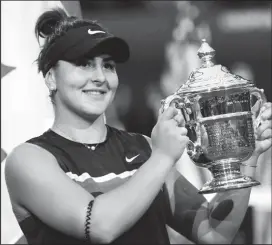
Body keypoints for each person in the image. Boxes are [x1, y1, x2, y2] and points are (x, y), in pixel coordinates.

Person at [5, 8, 272, 244]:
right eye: (84, 64)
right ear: (51, 78)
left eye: (108, 66)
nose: (100, 77)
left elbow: (213, 232)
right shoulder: (29, 159)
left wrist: (246, 158)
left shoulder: (142, 148)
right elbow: (99, 227)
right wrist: (163, 157)